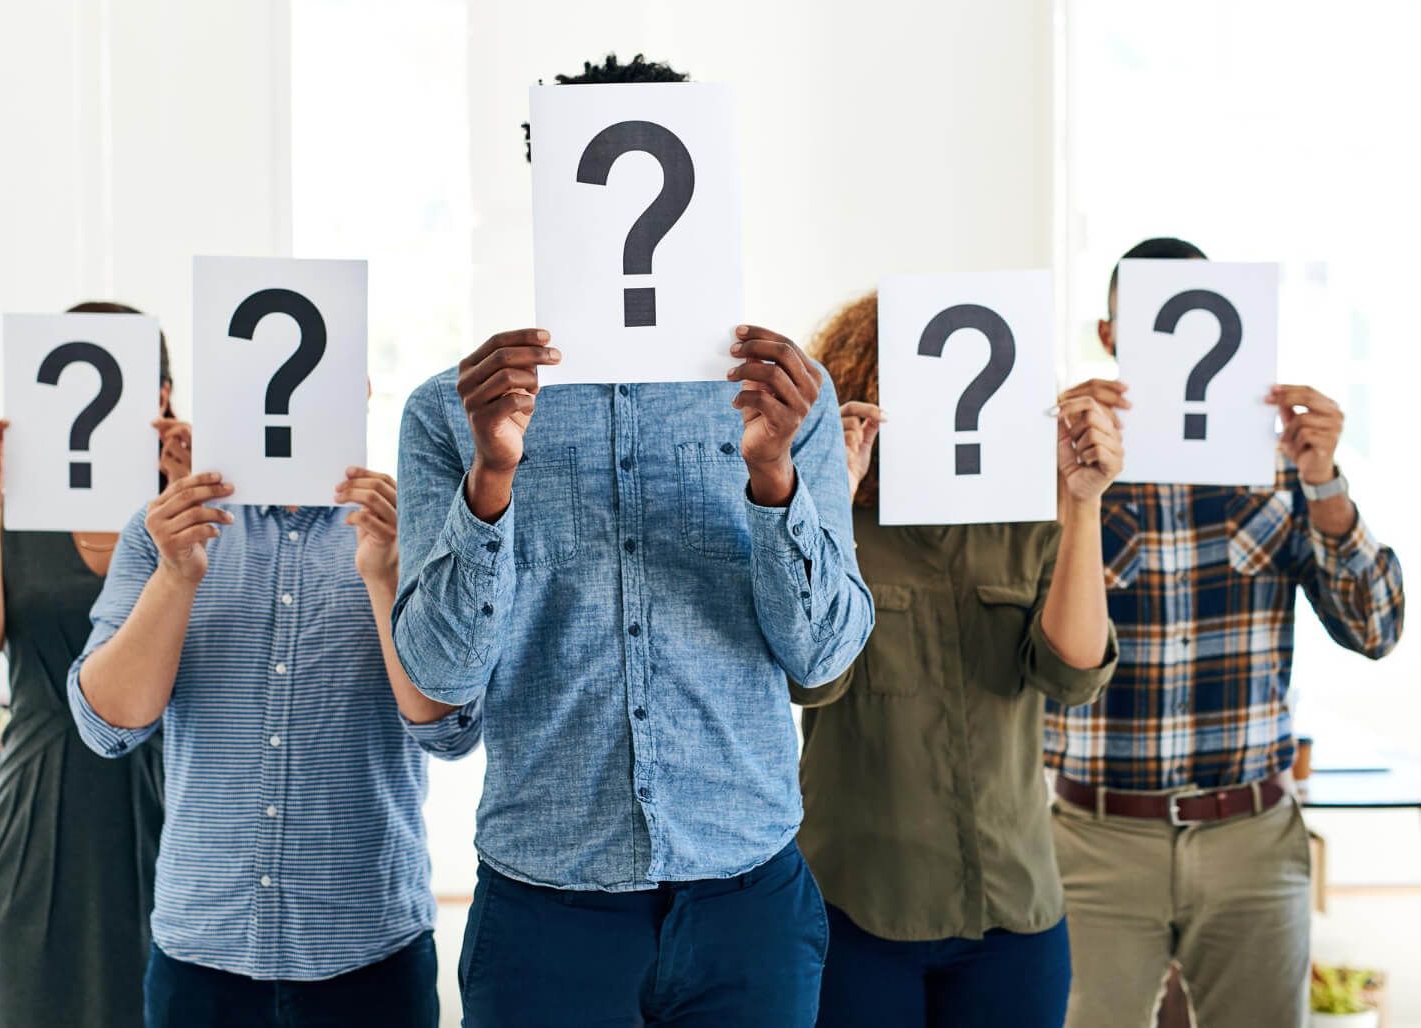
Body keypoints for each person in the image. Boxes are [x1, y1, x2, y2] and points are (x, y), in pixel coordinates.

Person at [392, 53, 873, 1028]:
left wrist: (774, 478)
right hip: (544, 905)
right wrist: (491, 479)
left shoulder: (786, 395)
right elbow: (440, 669)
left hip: (746, 895)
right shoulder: (452, 409)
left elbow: (823, 654)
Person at [1048, 238, 1406, 1028]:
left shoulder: (1280, 466)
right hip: (1095, 840)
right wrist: (1062, 485)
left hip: (1251, 835)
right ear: (1108, 337)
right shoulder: (1062, 469)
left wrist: (1326, 485)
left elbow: (1377, 629)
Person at [66, 422, 477, 1027]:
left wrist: (384, 576)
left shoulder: (417, 528)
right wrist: (175, 576)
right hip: (200, 953)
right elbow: (108, 727)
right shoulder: (163, 530)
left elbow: (449, 731)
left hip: (372, 953)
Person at [791, 293, 1121, 1027]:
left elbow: (1073, 675)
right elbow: (810, 678)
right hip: (859, 907)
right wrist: (829, 505)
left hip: (1014, 911)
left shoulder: (1028, 519)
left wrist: (1084, 506)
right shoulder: (836, 526)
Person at [0, 301, 185, 1028]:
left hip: (174, 795)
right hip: (40, 810)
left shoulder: (190, 507)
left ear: (163, 396)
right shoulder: (20, 507)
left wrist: (193, 492)